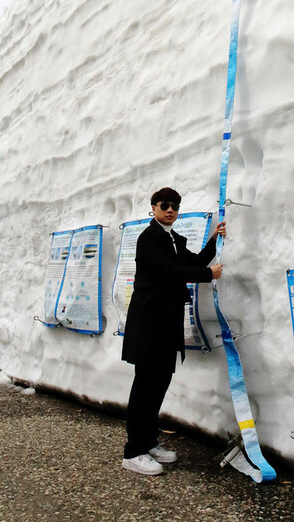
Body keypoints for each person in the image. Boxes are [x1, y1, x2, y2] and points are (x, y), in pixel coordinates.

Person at [121, 186, 225, 475]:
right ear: (153, 208)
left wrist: (215, 241)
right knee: (145, 387)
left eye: (175, 206)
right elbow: (169, 270)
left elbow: (192, 262)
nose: (170, 210)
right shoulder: (149, 239)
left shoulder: (173, 239)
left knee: (159, 384)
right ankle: (133, 452)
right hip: (148, 323)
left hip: (166, 324)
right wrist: (208, 275)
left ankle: (148, 442)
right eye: (165, 205)